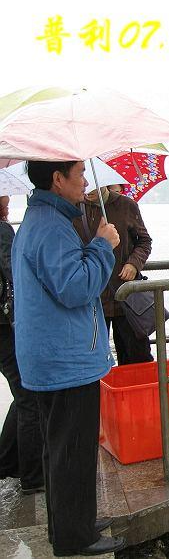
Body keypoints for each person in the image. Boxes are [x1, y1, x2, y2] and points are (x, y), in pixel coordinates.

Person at [12, 161, 124, 556]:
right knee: (72, 450)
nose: (86, 180)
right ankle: (75, 536)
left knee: (60, 447)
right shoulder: (51, 227)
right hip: (65, 359)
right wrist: (102, 246)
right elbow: (76, 288)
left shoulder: (42, 220)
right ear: (58, 180)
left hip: (53, 355)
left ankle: (70, 523)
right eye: (79, 173)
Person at [73, 186, 153, 365]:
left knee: (137, 356)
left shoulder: (126, 205)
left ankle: (140, 384)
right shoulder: (74, 207)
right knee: (91, 360)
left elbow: (144, 241)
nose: (88, 188)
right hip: (92, 296)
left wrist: (134, 263)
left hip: (126, 294)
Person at [0, 195, 44, 494]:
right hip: (6, 327)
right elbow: (13, 273)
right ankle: (32, 476)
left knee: (21, 394)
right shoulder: (3, 230)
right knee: (28, 396)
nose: (7, 200)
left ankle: (6, 461)